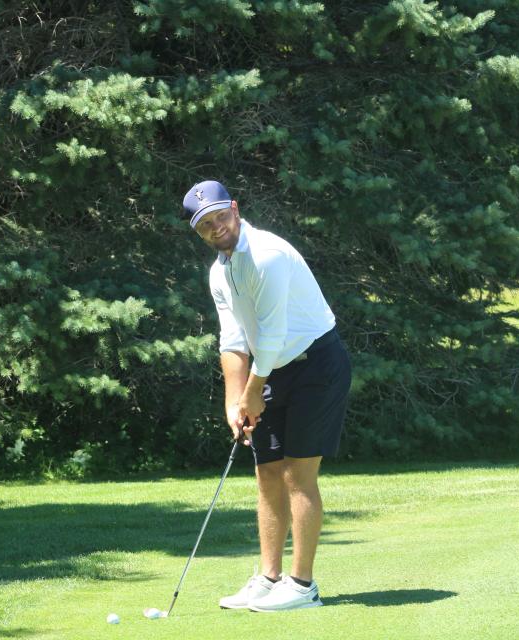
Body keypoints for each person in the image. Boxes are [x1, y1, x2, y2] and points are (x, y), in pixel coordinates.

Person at [182, 180, 352, 612]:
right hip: (273, 367)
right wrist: (233, 401)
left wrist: (253, 393)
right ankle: (268, 577)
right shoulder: (220, 270)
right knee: (267, 471)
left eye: (221, 215)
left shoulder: (267, 256)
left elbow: (272, 336)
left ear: (235, 209)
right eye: (206, 224)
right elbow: (234, 338)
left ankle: (302, 585)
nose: (217, 227)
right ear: (197, 231)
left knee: (298, 471)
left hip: (316, 363)